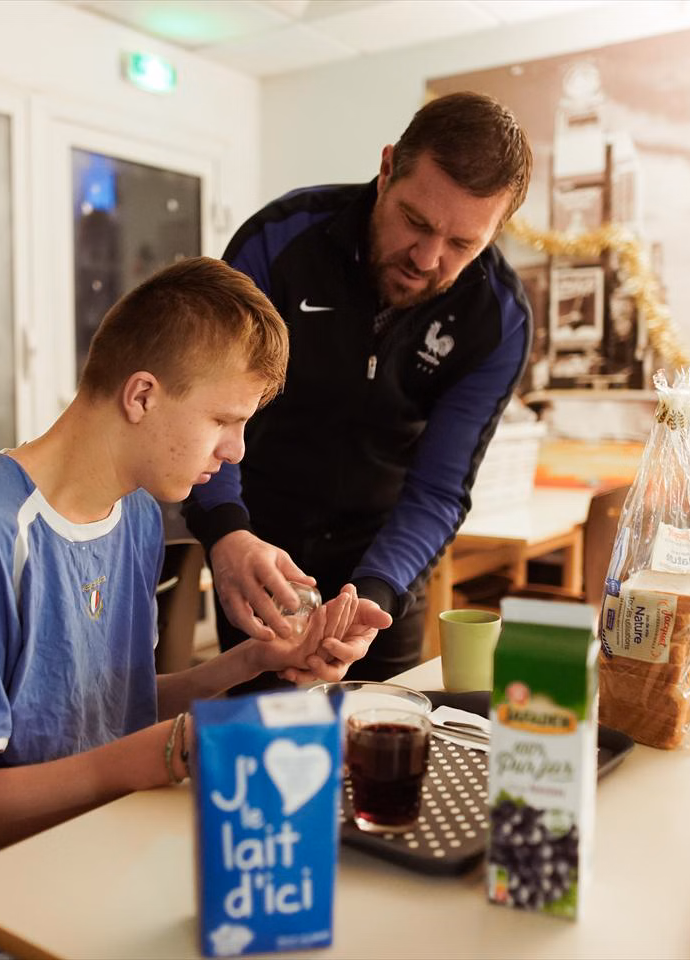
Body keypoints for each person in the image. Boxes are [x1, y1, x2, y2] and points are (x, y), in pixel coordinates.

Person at [0, 257, 391, 958]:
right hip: (7, 918)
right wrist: (153, 757)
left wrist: (249, 665)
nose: (235, 450)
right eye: (223, 419)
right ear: (142, 395)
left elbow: (103, 709)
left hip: (111, 856)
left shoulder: (139, 518)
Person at [183, 91, 534, 684]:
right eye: (417, 223)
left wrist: (373, 599)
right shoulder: (279, 243)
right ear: (388, 167)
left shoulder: (497, 319)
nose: (427, 259)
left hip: (384, 569)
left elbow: (439, 489)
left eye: (462, 245)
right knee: (258, 746)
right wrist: (226, 532)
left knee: (376, 753)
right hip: (259, 548)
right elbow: (205, 412)